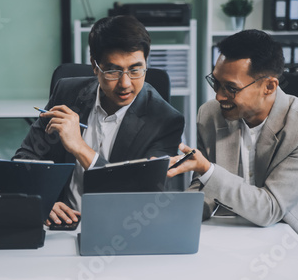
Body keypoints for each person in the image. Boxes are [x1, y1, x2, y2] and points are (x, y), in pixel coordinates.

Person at [167, 30, 298, 272]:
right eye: (215, 82)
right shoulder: (210, 114)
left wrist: (206, 169)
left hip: (294, 239)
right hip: (231, 233)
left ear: (269, 86)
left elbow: (270, 210)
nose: (218, 95)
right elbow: (204, 189)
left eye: (230, 88)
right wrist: (173, 212)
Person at [15, 15, 184, 226]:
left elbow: (142, 196)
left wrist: (80, 147)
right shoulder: (67, 93)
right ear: (95, 66)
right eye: (113, 71)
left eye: (135, 69)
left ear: (146, 63)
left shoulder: (165, 121)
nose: (125, 84)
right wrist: (42, 199)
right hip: (60, 228)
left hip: (122, 229)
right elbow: (25, 157)